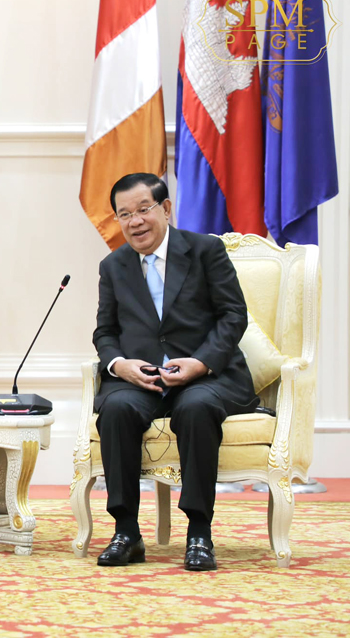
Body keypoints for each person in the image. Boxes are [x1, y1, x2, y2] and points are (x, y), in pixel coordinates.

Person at [92, 173, 258, 571]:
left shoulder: (205, 251)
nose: (135, 222)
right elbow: (105, 332)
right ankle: (126, 532)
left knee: (196, 408)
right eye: (124, 214)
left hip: (205, 376)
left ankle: (199, 533)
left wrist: (200, 362)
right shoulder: (113, 266)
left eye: (143, 209)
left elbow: (233, 315)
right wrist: (120, 365)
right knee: (116, 409)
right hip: (143, 380)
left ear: (165, 209)